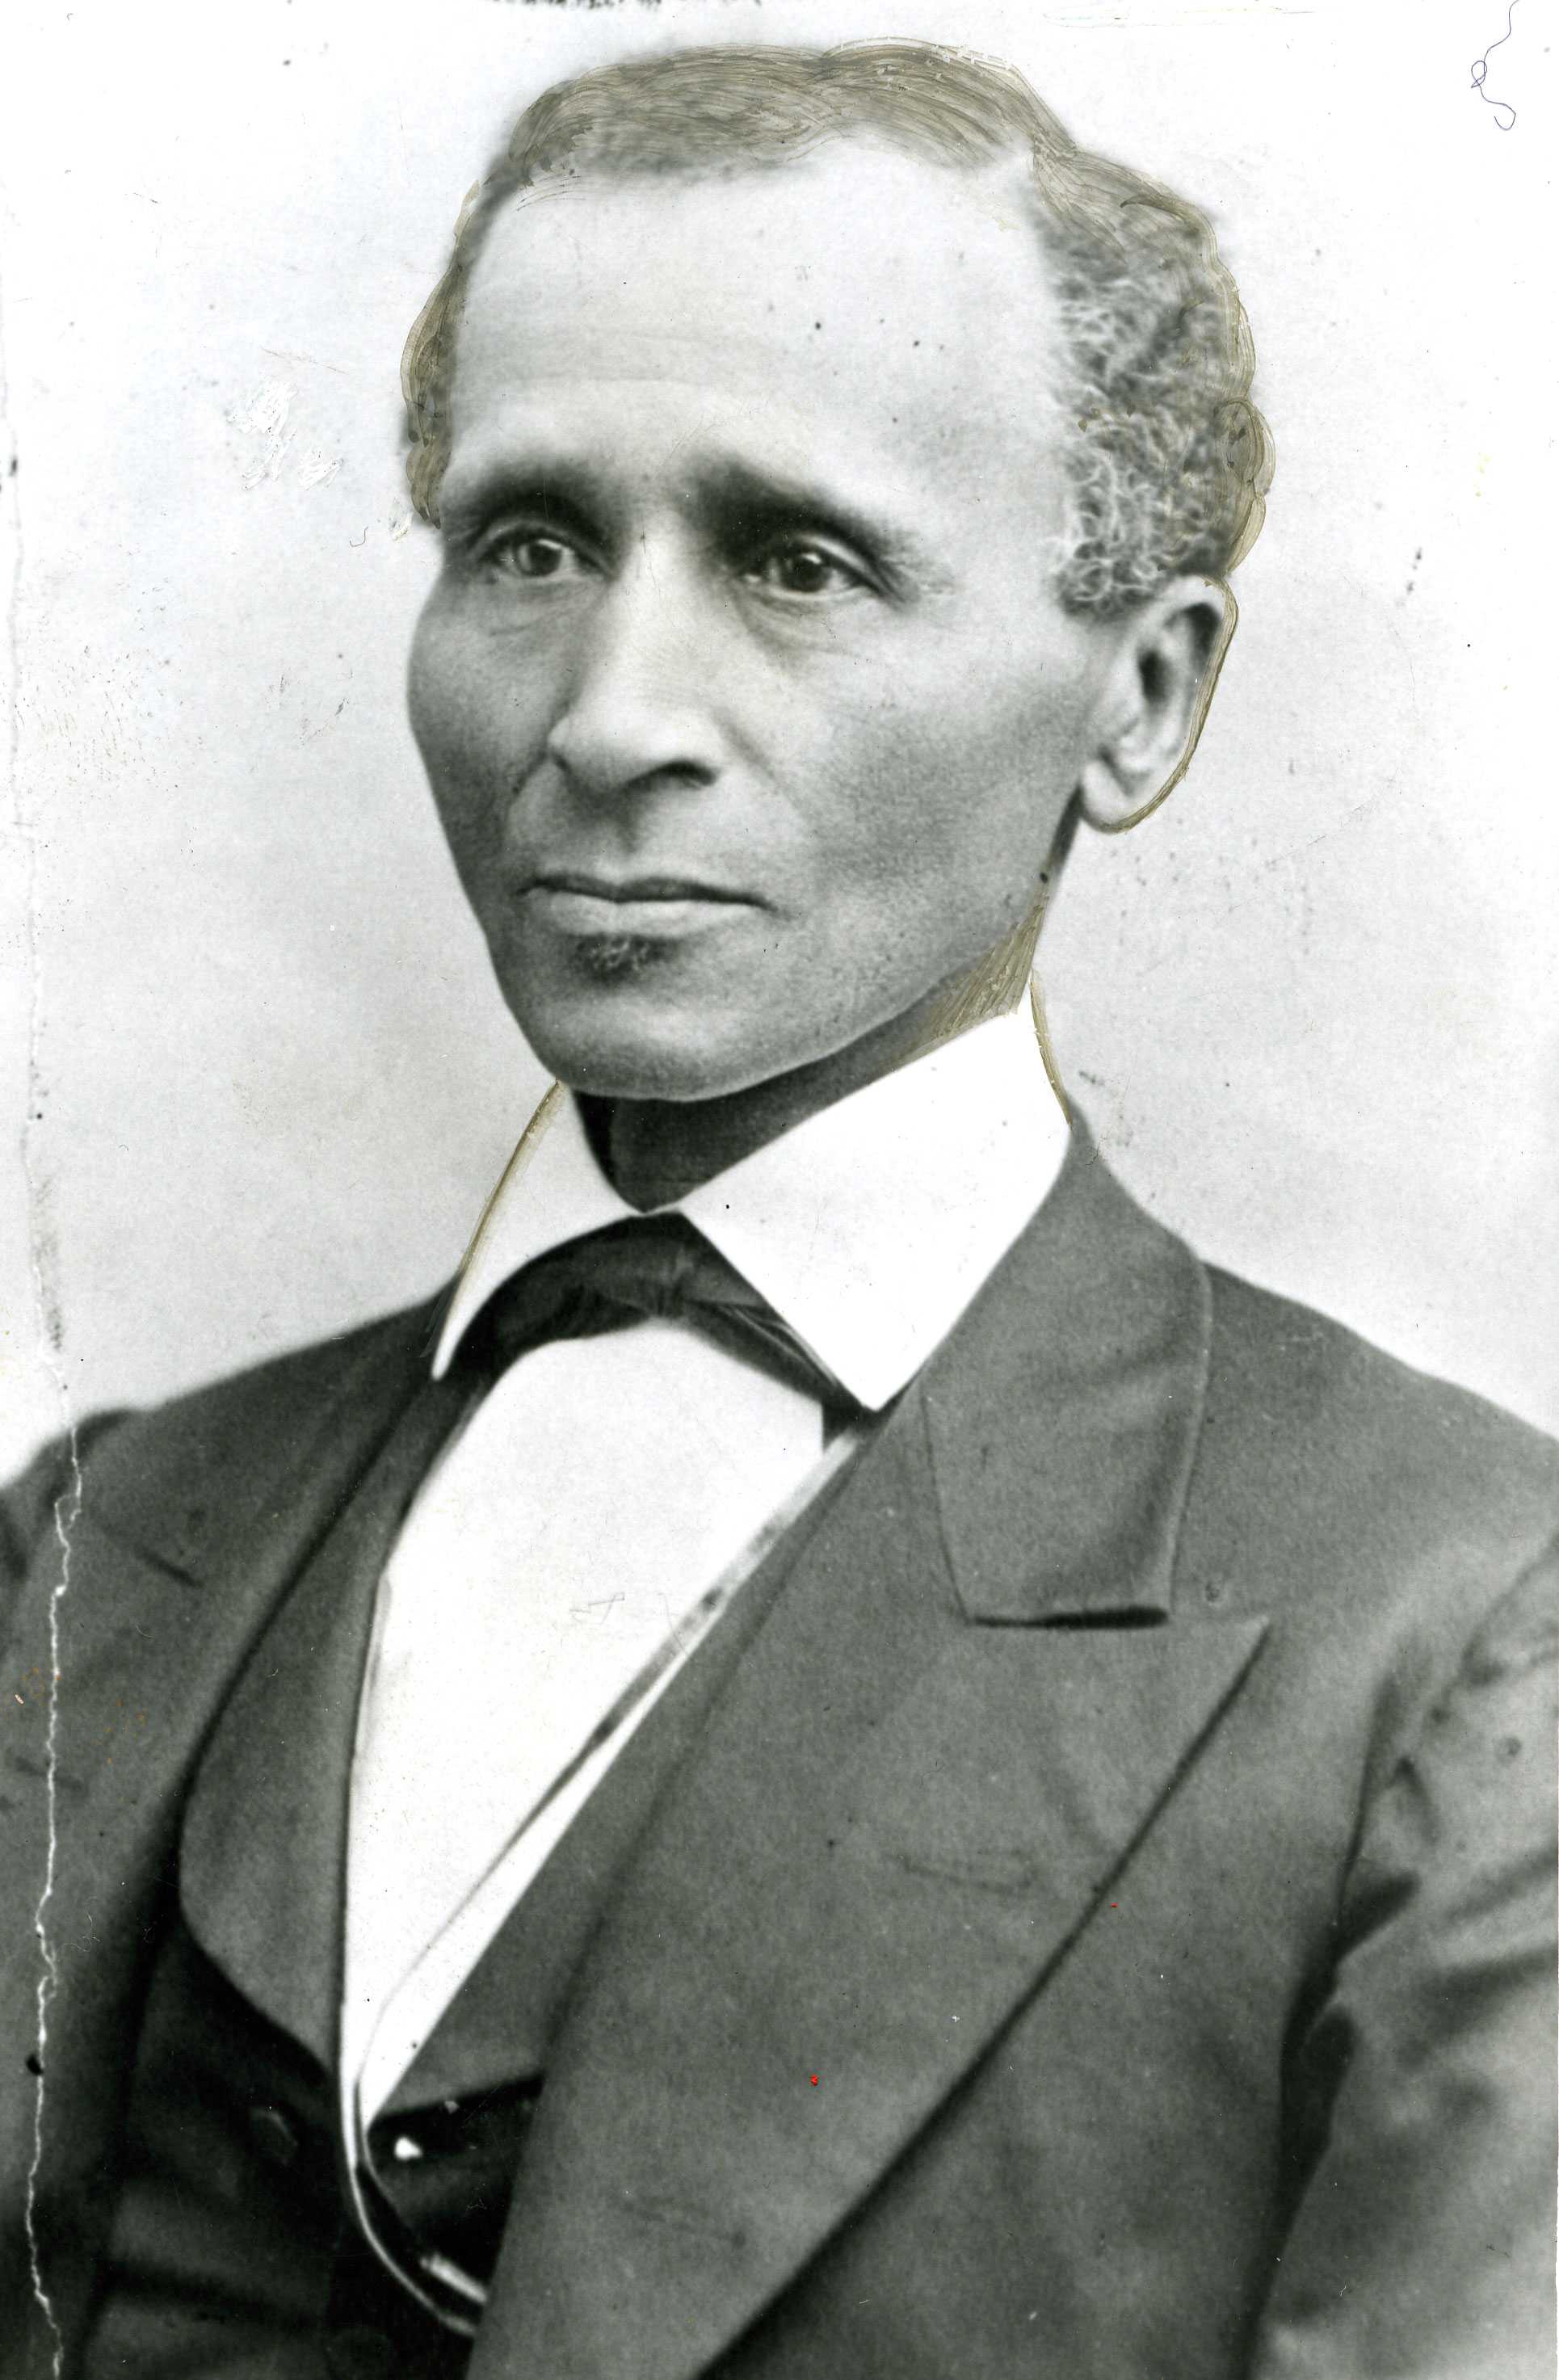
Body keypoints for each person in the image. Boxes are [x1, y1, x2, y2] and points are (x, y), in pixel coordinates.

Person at [2, 40, 1553, 2380]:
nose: (610, 714)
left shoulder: (1449, 1626)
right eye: (524, 545)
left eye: (796, 560)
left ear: (1138, 702)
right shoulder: (107, 1528)